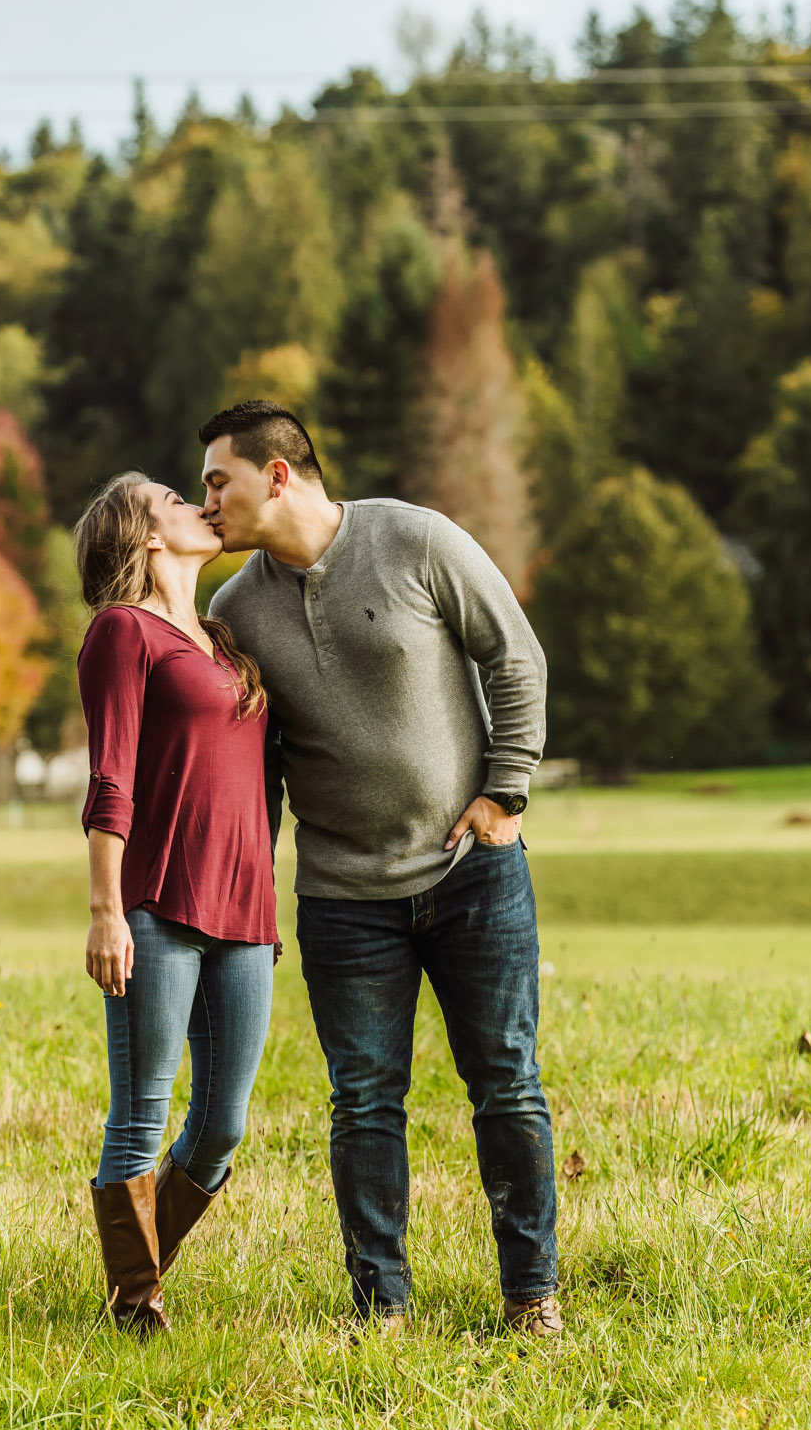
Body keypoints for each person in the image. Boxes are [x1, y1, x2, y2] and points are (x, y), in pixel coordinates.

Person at [201, 400, 563, 1336]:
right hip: (342, 902)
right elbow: (257, 771)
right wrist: (247, 899)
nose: (207, 502)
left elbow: (516, 658)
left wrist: (506, 795)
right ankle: (382, 1307)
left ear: (278, 474)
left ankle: (532, 1298)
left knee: (507, 1083)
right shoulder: (232, 610)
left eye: (218, 481)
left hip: (473, 876)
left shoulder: (415, 539)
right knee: (364, 1103)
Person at [72, 470, 279, 1333]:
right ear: (146, 537)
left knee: (223, 1126)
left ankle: (141, 1264)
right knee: (143, 1112)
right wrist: (105, 910)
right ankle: (136, 1305)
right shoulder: (124, 633)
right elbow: (111, 776)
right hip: (157, 906)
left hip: (245, 915)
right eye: (170, 498)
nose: (195, 503)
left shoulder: (226, 642)